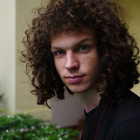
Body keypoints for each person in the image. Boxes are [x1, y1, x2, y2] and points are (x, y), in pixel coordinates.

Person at [21, 0, 140, 139]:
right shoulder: (94, 110)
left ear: (106, 50)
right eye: (59, 52)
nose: (70, 64)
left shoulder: (130, 126)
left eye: (83, 48)